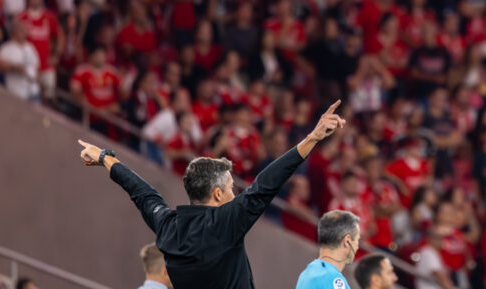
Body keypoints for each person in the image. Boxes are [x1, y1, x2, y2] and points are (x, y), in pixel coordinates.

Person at [77, 100, 346, 289]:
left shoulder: (168, 228)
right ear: (217, 194)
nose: (234, 193)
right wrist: (312, 138)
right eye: (230, 188)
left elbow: (142, 193)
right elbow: (268, 183)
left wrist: (105, 158)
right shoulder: (226, 222)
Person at [295, 211, 360, 289]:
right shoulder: (334, 279)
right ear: (347, 241)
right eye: (357, 240)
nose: (357, 246)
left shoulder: (307, 272)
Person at [0, 18, 41, 102]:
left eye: (24, 29)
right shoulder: (6, 48)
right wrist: (15, 67)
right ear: (14, 32)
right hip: (16, 93)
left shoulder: (30, 47)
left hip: (33, 92)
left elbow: (37, 66)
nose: (23, 32)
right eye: (20, 30)